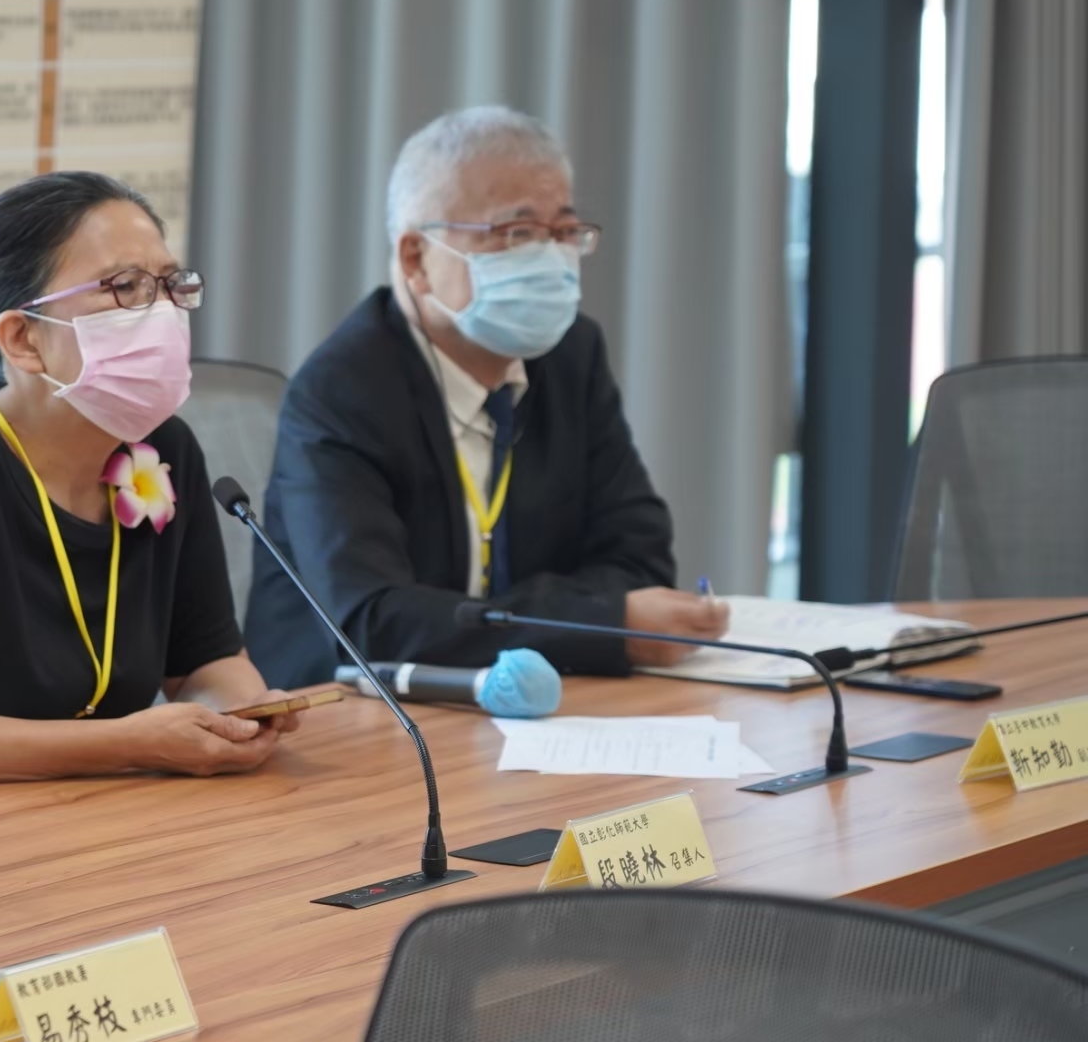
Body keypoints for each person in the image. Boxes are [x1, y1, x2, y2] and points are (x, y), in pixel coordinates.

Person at [0, 171, 301, 786]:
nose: (164, 312)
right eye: (125, 288)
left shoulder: (165, 450)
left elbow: (204, 662)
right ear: (23, 339)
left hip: (76, 812)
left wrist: (236, 714)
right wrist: (127, 743)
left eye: (171, 285)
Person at [247, 106, 728, 688]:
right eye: (516, 234)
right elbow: (372, 623)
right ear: (416, 258)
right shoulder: (341, 391)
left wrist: (527, 622)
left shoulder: (571, 356)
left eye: (564, 232)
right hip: (353, 725)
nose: (551, 258)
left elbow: (640, 561)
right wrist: (593, 620)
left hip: (536, 705)